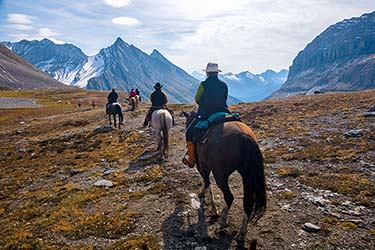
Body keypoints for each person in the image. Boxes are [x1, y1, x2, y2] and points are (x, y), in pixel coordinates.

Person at [182, 62, 229, 168]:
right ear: (217, 72)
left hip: (207, 113)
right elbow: (225, 97)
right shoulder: (224, 85)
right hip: (223, 112)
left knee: (190, 131)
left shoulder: (203, 85)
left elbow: (197, 98)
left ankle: (191, 159)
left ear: (207, 73)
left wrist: (204, 104)